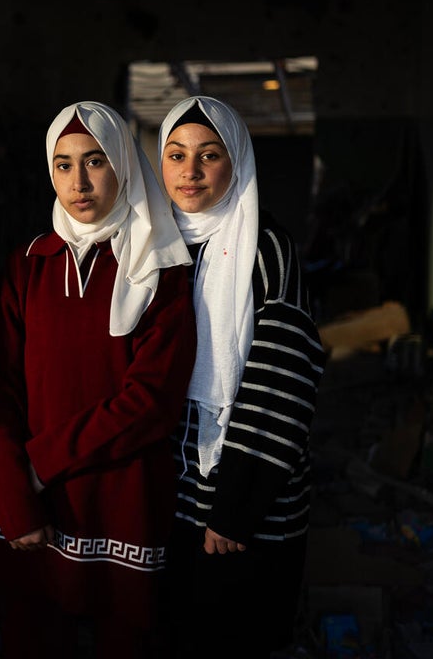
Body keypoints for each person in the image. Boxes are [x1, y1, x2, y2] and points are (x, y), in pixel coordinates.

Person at [0, 100, 198, 658]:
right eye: (63, 163)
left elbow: (152, 401)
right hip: (36, 505)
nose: (78, 181)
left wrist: (41, 461)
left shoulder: (160, 268)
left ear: (124, 163)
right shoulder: (29, 264)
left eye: (95, 161)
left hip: (123, 504)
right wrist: (14, 497)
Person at [157, 96, 325, 658]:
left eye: (209, 155)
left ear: (237, 163)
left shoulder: (266, 249)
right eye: (176, 155)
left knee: (235, 634)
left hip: (245, 503)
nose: (190, 171)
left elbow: (284, 381)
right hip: (176, 496)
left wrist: (234, 508)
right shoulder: (158, 247)